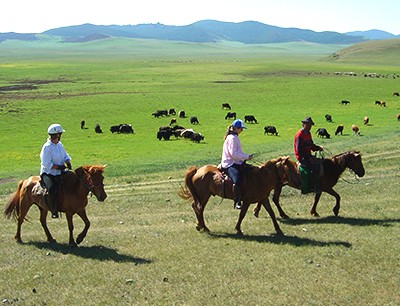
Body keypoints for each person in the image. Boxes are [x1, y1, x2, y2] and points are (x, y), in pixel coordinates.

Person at [40, 123, 72, 218]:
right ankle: (54, 210)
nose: (60, 136)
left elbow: (65, 155)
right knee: (52, 188)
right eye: (60, 134)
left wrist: (68, 161)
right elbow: (46, 163)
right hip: (48, 173)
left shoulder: (59, 145)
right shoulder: (47, 147)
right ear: (56, 135)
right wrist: (58, 167)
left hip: (60, 172)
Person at [219, 119, 253, 209]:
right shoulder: (232, 138)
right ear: (236, 128)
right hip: (230, 163)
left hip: (236, 162)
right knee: (237, 180)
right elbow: (233, 154)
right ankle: (237, 201)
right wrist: (246, 157)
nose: (242, 131)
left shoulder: (235, 137)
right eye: (241, 129)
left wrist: (245, 158)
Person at [294, 116, 323, 193]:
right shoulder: (299, 135)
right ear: (303, 125)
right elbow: (299, 150)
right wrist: (308, 157)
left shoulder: (308, 134)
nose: (309, 126)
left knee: (320, 165)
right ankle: (310, 187)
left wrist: (318, 148)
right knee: (312, 169)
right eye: (308, 125)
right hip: (302, 157)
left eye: (310, 125)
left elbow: (311, 145)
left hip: (308, 155)